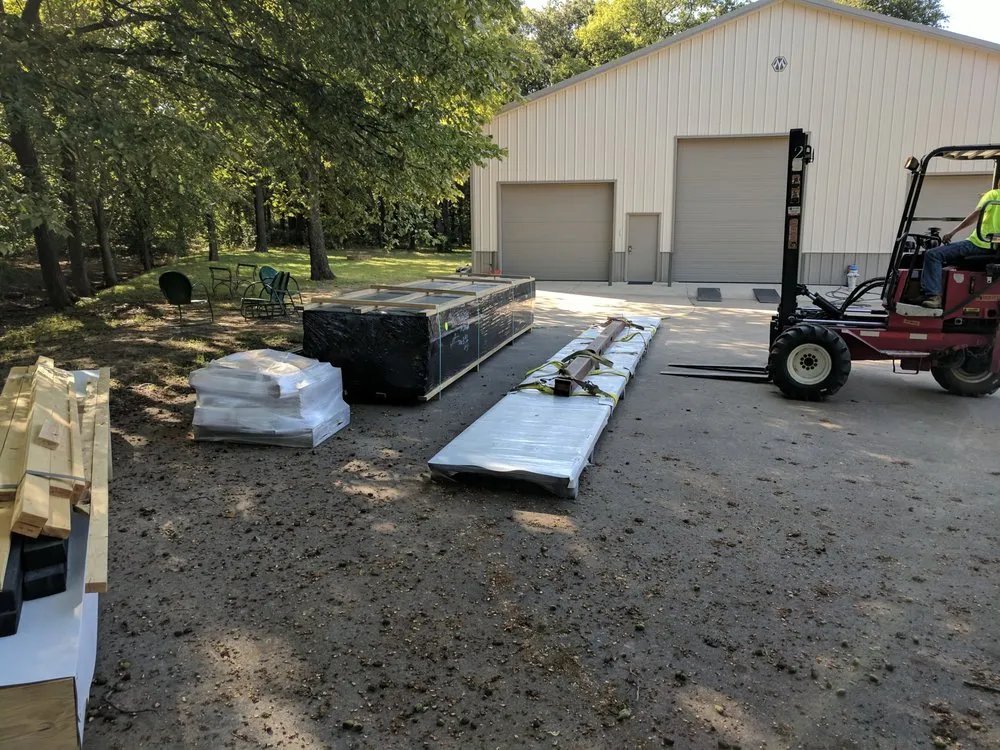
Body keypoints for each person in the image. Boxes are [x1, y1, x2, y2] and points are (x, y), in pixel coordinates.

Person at [919, 185, 1000, 308]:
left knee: (933, 254)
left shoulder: (993, 195)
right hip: (993, 248)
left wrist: (953, 232)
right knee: (944, 259)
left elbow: (976, 215)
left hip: (978, 243)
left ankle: (933, 296)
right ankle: (930, 291)